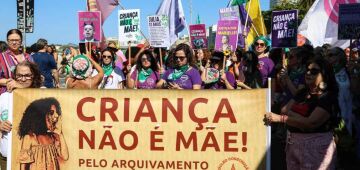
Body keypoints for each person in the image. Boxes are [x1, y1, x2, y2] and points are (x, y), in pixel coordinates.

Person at [265, 58, 338, 169]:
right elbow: (284, 110)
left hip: (316, 149)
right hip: (293, 145)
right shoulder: (303, 92)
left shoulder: (327, 96)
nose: (308, 73)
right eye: (307, 70)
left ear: (325, 75)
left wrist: (283, 118)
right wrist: (300, 118)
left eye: (314, 71)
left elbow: (311, 123)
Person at [0, 61, 42, 170]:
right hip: (8, 157)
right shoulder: (4, 97)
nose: (23, 79)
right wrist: (0, 125)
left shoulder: (43, 93)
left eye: (27, 76)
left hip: (35, 160)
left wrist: (22, 89)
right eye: (19, 76)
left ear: (34, 76)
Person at [18, 97, 69, 170]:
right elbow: (23, 167)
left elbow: (65, 156)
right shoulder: (30, 137)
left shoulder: (53, 137)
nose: (56, 115)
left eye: (56, 112)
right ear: (40, 115)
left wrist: (60, 134)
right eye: (51, 113)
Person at [0, 29, 33, 94]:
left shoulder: (28, 57)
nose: (14, 42)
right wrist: (8, 82)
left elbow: (35, 75)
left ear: (21, 41)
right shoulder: (1, 57)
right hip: (8, 94)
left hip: (27, 93)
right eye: (11, 40)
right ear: (7, 41)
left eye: (17, 40)